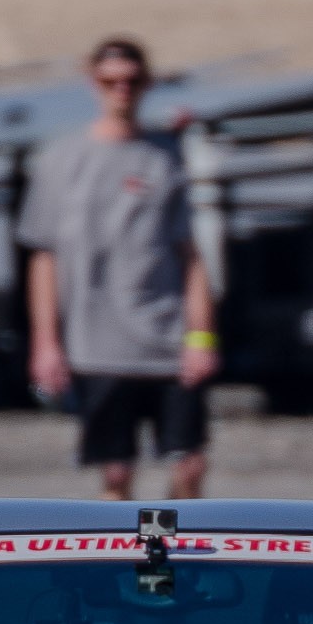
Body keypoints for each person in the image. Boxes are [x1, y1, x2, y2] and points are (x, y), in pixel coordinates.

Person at [20, 36, 220, 499]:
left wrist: (202, 338)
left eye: (131, 81)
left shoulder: (165, 156)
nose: (121, 91)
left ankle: (171, 542)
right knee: (115, 473)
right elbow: (44, 256)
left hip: (166, 339)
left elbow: (191, 255)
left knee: (190, 465)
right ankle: (125, 546)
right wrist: (46, 343)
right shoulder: (61, 160)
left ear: (146, 84)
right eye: (110, 82)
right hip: (98, 346)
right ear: (93, 83)